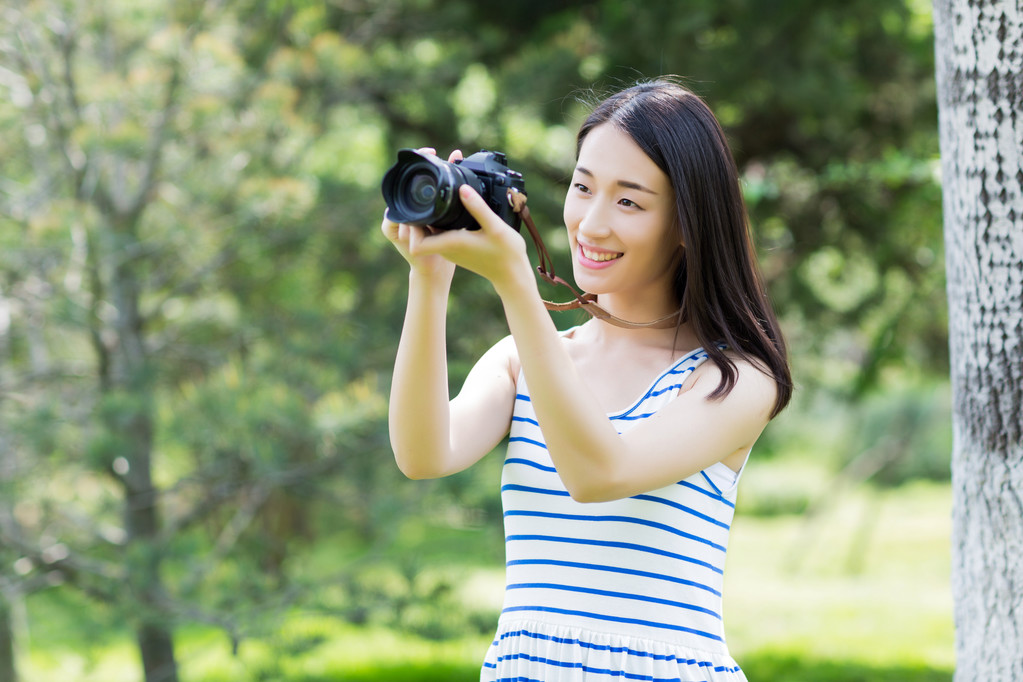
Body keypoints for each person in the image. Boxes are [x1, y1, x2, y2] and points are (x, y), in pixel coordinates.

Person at [381, 78, 792, 682]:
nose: (590, 223)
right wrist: (430, 275)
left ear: (686, 224)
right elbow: (423, 453)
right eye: (582, 187)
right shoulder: (523, 361)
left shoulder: (734, 377)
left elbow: (600, 473)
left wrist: (515, 282)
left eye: (629, 201)